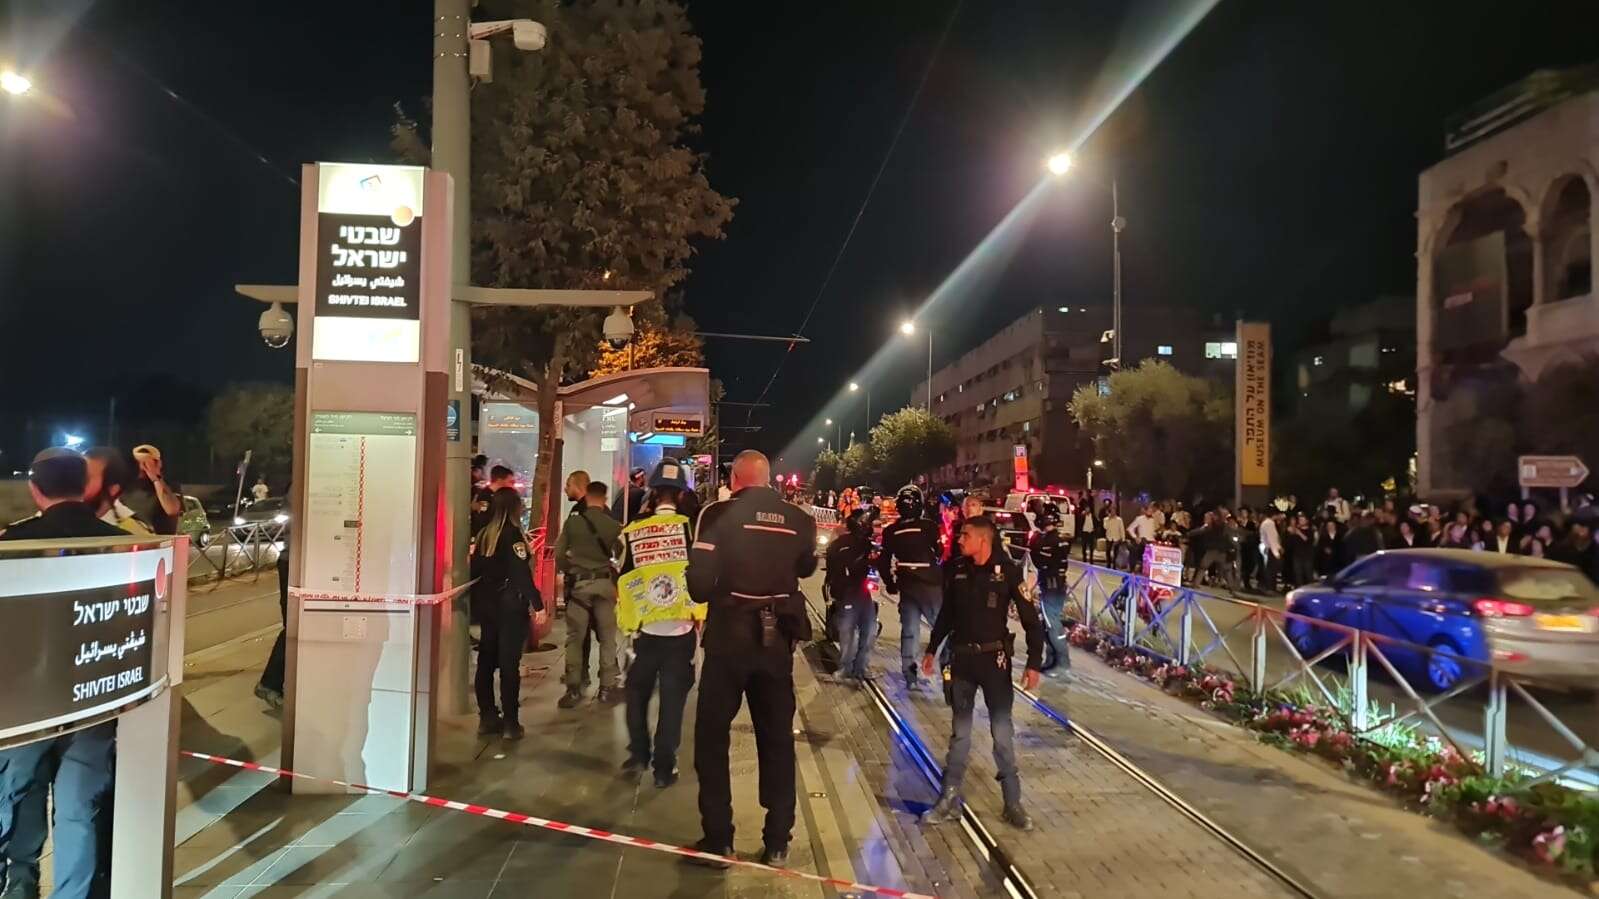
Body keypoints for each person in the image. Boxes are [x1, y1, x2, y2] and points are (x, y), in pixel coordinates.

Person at [0, 449, 126, 899]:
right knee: (78, 810)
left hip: (25, 704)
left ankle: (19, 884)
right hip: (95, 700)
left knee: (16, 798)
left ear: (35, 489)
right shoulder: (121, 543)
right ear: (84, 486)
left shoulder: (13, 544)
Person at [685, 450, 817, 868]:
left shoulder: (716, 513)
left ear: (734, 478)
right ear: (768, 478)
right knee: (777, 739)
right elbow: (807, 568)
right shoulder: (800, 519)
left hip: (729, 637)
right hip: (776, 643)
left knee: (711, 737)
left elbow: (698, 586)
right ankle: (777, 841)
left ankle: (719, 839)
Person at [920, 515, 1045, 831]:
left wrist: (1034, 663)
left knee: (1002, 734)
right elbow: (947, 614)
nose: (959, 540)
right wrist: (932, 648)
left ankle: (1012, 802)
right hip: (962, 662)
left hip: (994, 664)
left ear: (983, 540)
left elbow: (1031, 621)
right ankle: (949, 798)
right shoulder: (958, 570)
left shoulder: (1009, 573)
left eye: (965, 535)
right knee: (960, 734)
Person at [616, 459, 705, 788]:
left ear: (652, 492)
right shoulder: (691, 530)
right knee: (672, 703)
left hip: (644, 632)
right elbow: (702, 575)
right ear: (681, 495)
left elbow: (622, 576)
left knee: (636, 694)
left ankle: (639, 753)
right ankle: (664, 769)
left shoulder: (634, 530)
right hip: (681, 631)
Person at [469, 488, 543, 739]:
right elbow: (520, 573)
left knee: (486, 661)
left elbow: (475, 572)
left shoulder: (484, 536)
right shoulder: (513, 536)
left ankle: (487, 716)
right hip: (510, 609)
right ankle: (511, 722)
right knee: (509, 665)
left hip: (487, 607)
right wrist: (537, 603)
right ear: (514, 508)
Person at [554, 480, 622, 709]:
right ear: (604, 499)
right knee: (607, 638)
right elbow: (620, 555)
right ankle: (607, 688)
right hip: (604, 586)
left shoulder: (572, 523)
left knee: (575, 638)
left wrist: (570, 569)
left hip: (579, 588)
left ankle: (573, 689)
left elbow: (559, 555)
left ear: (588, 496)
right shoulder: (612, 525)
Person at [879, 485, 944, 687]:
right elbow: (940, 551)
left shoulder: (891, 531)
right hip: (931, 585)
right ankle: (948, 669)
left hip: (907, 586)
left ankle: (910, 675)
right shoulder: (929, 526)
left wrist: (890, 583)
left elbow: (883, 561)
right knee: (941, 628)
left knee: (909, 631)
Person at [825, 508, 878, 683]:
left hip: (863, 592)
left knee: (869, 630)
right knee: (848, 632)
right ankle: (845, 668)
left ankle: (861, 667)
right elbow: (832, 569)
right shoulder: (840, 544)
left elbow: (874, 564)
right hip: (847, 593)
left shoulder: (866, 544)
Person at [83, 447, 152, 535]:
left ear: (112, 489)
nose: (72, 483)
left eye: (84, 479)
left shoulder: (134, 535)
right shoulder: (67, 519)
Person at [122, 443, 183, 534]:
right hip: (130, 538)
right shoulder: (125, 486)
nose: (142, 467)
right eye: (138, 462)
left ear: (158, 464)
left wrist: (155, 478)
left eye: (146, 463)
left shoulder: (169, 485)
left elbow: (172, 510)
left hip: (160, 540)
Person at [1258, 508, 1284, 593]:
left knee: (1269, 568)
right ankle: (1269, 587)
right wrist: (1277, 552)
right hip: (1269, 548)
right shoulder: (1270, 523)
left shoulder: (1266, 522)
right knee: (1271, 569)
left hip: (1266, 547)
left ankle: (1267, 587)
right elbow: (1272, 539)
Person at [1100, 502, 1125, 571]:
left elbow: (1122, 529)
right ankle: (1108, 564)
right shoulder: (1106, 519)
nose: (1113, 512)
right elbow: (1105, 527)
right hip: (1109, 537)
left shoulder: (1119, 520)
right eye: (1111, 511)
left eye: (1114, 511)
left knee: (1115, 552)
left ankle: (1114, 565)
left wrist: (1123, 538)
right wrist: (1109, 519)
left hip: (1117, 538)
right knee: (1108, 551)